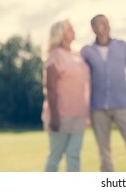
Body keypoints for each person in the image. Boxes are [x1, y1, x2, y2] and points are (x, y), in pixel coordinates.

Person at [81, 14, 126, 172]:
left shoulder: (122, 45)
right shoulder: (86, 51)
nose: (106, 25)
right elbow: (79, 78)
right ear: (94, 28)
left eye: (107, 22)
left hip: (123, 104)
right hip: (97, 107)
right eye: (102, 23)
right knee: (104, 153)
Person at [41, 19, 90, 172]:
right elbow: (50, 87)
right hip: (61, 115)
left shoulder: (78, 55)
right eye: (69, 29)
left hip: (80, 115)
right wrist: (54, 116)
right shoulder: (55, 55)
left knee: (74, 155)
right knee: (55, 157)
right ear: (60, 33)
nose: (73, 30)